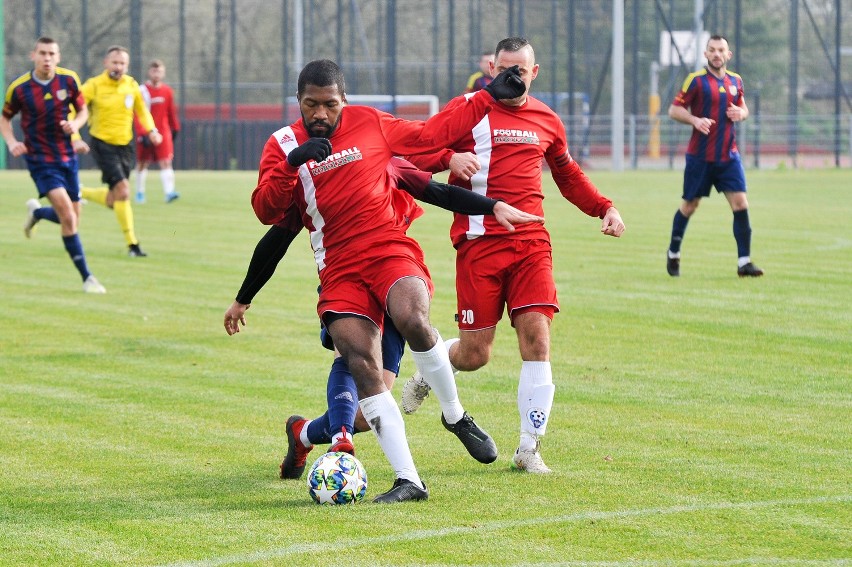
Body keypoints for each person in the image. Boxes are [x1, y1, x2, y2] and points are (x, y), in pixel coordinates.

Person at [251, 59, 526, 502]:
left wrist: (485, 97)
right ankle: (409, 481)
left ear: (345, 100)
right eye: (310, 104)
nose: (320, 113)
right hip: (339, 267)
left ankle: (454, 415)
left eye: (330, 104)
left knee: (413, 318)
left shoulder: (370, 123)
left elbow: (430, 137)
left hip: (388, 248)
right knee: (360, 362)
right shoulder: (282, 143)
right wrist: (291, 163)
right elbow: (266, 211)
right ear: (297, 100)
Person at [224, 157, 543, 479]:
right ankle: (342, 441)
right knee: (352, 360)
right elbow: (277, 239)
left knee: (366, 414)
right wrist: (243, 298)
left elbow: (437, 188)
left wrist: (488, 202)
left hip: (393, 274)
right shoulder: (312, 179)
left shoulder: (382, 160)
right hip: (344, 278)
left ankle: (303, 433)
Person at [401, 37, 625, 474]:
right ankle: (429, 370)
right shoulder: (467, 108)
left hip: (531, 244)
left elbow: (568, 175)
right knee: (475, 355)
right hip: (479, 244)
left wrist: (605, 207)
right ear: (490, 67)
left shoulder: (547, 119)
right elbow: (415, 152)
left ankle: (528, 447)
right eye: (503, 69)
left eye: (519, 71)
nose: (510, 77)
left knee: (537, 339)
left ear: (534, 72)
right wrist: (451, 156)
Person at [1, 36, 106, 294]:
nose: (47, 58)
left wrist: (77, 126)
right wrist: (12, 141)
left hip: (67, 157)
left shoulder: (69, 80)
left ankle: (37, 213)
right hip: (40, 160)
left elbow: (83, 112)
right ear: (33, 55)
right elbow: (5, 119)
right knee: (68, 216)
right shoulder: (20, 88)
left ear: (58, 57)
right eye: (43, 53)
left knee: (72, 220)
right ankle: (88, 278)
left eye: (52, 54)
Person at [666, 34, 762, 278]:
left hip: (728, 157)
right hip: (700, 157)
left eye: (721, 50)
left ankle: (744, 263)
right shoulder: (696, 81)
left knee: (740, 203)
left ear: (728, 55)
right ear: (706, 54)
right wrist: (695, 120)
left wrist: (742, 113)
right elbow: (674, 109)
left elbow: (744, 107)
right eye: (712, 50)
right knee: (690, 205)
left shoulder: (736, 81)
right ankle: (674, 253)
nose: (717, 54)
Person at [80, 45, 162, 257]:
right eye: (115, 62)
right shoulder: (93, 85)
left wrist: (152, 130)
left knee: (115, 198)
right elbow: (76, 107)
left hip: (125, 146)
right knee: (124, 191)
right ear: (106, 64)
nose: (119, 67)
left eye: (123, 63)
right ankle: (133, 244)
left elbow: (142, 111)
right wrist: (73, 135)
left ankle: (80, 192)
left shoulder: (131, 85)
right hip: (102, 143)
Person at [133, 59, 180, 204]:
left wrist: (175, 128)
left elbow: (171, 112)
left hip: (163, 132)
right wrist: (143, 132)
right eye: (154, 71)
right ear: (149, 72)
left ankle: (169, 192)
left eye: (159, 71)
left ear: (163, 73)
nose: (157, 74)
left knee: (166, 161)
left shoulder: (167, 91)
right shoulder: (142, 91)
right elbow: (137, 113)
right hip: (146, 132)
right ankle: (140, 193)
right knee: (142, 163)